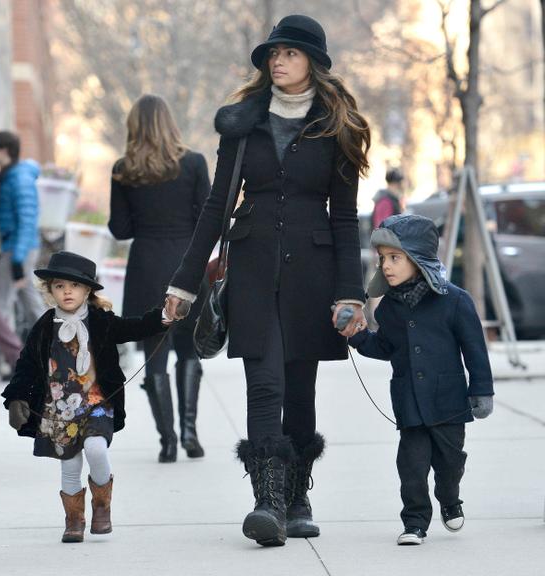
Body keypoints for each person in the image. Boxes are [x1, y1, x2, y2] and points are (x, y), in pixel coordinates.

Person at [164, 14, 370, 547]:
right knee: (265, 383)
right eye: (273, 54)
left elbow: (346, 218)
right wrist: (185, 283)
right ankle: (268, 504)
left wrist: (351, 293)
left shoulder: (338, 126)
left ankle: (298, 497)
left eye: (290, 53)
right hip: (252, 264)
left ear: (314, 64)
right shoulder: (241, 123)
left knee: (300, 389)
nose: (277, 61)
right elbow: (216, 205)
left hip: (315, 270)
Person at [1, 251, 170, 543]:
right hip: (59, 411)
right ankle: (74, 520)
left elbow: (135, 327)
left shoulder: (100, 322)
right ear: (50, 290)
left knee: (96, 449)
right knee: (70, 465)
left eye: (74, 286)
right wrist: (17, 399)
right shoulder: (43, 327)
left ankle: (101, 505)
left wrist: (164, 316)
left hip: (97, 404)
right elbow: (26, 364)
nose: (67, 291)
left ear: (87, 290)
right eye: (59, 286)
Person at [347, 214, 494, 546]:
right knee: (410, 469)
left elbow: (475, 350)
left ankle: (449, 498)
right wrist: (356, 336)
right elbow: (384, 346)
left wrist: (481, 391)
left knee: (450, 464)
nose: (386, 266)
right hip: (410, 405)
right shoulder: (387, 310)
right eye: (383, 258)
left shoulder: (454, 301)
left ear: (418, 258)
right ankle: (414, 522)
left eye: (395, 257)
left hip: (449, 404)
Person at [108, 94, 210, 463]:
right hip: (187, 265)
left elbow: (119, 229)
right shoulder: (195, 163)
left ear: (134, 127)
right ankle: (190, 433)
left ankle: (166, 441)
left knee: (155, 353)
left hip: (146, 266)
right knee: (188, 349)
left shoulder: (124, 170)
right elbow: (208, 217)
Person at [0, 131, 46, 330]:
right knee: (28, 301)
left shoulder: (19, 178)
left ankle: (0, 357)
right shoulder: (7, 176)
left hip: (16, 248)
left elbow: (27, 221)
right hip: (15, 247)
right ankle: (54, 347)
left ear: (3, 150)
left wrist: (17, 259)